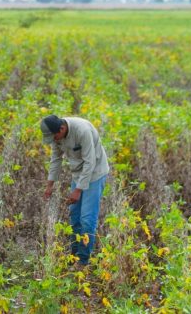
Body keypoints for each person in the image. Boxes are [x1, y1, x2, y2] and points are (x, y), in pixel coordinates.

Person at [40, 114, 109, 266]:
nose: (55, 141)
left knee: (87, 219)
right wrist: (49, 185)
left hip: (95, 173)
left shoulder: (82, 130)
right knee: (74, 215)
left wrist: (77, 190)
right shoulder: (56, 135)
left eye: (55, 137)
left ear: (62, 128)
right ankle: (74, 255)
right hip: (79, 174)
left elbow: (90, 162)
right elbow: (56, 159)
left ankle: (83, 261)